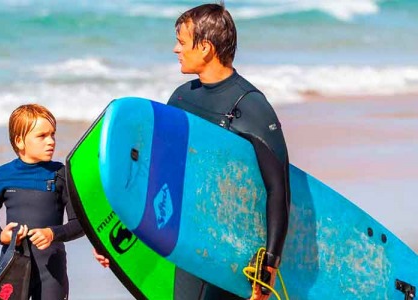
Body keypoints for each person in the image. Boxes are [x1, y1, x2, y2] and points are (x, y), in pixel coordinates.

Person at [95, 3, 290, 300]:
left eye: (182, 42)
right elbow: (155, 177)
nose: (176, 49)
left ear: (206, 48)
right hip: (185, 244)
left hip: (228, 252)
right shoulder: (181, 98)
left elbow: (278, 190)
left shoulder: (251, 107)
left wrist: (269, 265)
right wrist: (121, 240)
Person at [0, 104, 84, 300]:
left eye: (52, 135)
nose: (50, 141)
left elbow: (80, 224)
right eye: (42, 136)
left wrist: (52, 233)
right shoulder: (3, 175)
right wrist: (2, 236)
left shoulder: (61, 174)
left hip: (52, 270)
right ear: (19, 141)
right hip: (13, 265)